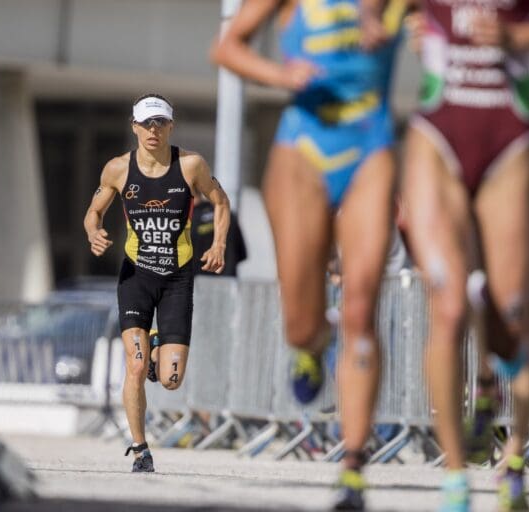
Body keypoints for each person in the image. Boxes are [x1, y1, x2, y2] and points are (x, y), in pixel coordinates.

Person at [210, 0, 408, 508]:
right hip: (303, 150)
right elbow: (227, 48)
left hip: (371, 145)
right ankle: (312, 343)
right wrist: (280, 74)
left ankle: (353, 468)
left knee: (362, 307)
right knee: (300, 324)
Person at [391, 1, 529, 509]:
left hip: (516, 138)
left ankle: (514, 453)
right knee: (449, 307)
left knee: (517, 319)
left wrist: (517, 39)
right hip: (440, 133)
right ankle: (456, 479)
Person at [83, 94, 231, 472]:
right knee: (134, 369)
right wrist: (93, 233)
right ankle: (140, 449)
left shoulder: (190, 165)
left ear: (170, 127)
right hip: (136, 277)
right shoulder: (117, 169)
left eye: (160, 123)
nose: (153, 130)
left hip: (177, 279)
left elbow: (221, 201)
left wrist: (217, 244)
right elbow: (93, 211)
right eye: (146, 123)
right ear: (134, 126)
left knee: (170, 380)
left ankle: (155, 347)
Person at [191, 194, 247, 276]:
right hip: (228, 282)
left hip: (197, 284)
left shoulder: (185, 220)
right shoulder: (228, 214)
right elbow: (241, 255)